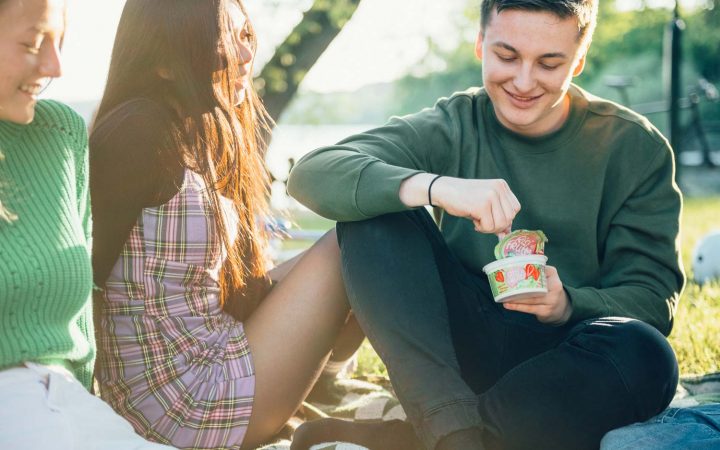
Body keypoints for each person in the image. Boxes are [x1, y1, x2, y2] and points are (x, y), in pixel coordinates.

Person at [287, 0, 684, 449]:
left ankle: (431, 438)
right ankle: (456, 432)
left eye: (549, 63)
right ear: (480, 44)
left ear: (580, 59)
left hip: (565, 361)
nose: (523, 81)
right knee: (373, 218)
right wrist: (435, 187)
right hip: (457, 354)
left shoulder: (635, 148)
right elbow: (313, 172)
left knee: (648, 354)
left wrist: (568, 303)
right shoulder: (455, 123)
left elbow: (652, 300)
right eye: (507, 56)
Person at [89, 1, 363, 449]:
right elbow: (86, 279)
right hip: (180, 401)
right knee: (352, 246)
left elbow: (211, 290)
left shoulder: (194, 130)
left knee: (363, 235)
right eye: (222, 38)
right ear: (161, 59)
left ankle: (327, 384)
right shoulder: (137, 131)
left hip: (211, 351)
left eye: (245, 36)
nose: (242, 54)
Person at [0, 0, 174, 448]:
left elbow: (81, 319)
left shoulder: (61, 134)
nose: (55, 67)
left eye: (60, 43)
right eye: (32, 43)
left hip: (71, 401)